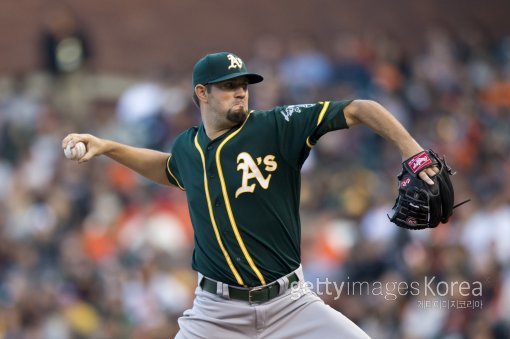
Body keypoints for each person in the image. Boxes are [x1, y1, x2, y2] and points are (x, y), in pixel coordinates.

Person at [62, 52, 438, 338]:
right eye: (228, 85)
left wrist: (413, 151)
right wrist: (109, 146)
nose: (240, 91)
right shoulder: (188, 148)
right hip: (215, 313)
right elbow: (168, 169)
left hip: (290, 303)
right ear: (202, 93)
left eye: (243, 84)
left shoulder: (276, 126)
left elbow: (360, 108)